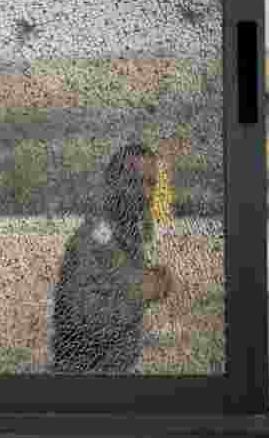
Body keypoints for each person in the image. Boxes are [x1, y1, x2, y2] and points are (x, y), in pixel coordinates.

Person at [52, 143, 176, 375]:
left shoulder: (129, 236)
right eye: (134, 182)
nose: (146, 194)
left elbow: (116, 294)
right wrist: (141, 291)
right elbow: (83, 321)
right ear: (112, 183)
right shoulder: (93, 240)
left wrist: (149, 281)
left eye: (151, 183)